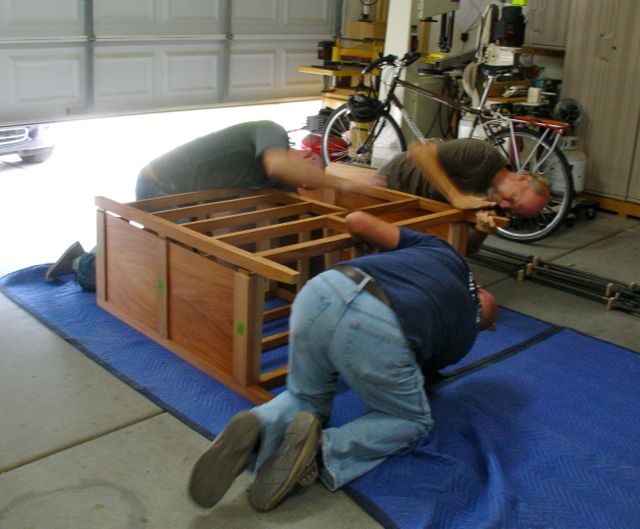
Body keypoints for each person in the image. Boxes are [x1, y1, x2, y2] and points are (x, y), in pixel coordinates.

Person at [187, 211, 498, 513]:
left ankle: (260, 423)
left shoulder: (442, 251)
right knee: (412, 419)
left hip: (321, 289)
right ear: (481, 318)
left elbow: (356, 220)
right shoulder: (464, 338)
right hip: (379, 325)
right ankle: (322, 451)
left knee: (305, 396)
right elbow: (412, 370)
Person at [45, 120, 383, 290]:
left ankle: (105, 250)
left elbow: (300, 220)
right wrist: (345, 184)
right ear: (305, 154)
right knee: (167, 271)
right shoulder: (271, 132)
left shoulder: (280, 174)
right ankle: (82, 264)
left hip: (187, 193)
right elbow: (279, 167)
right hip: (161, 184)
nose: (307, 181)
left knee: (177, 258)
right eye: (310, 173)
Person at [378, 138, 551, 253]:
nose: (505, 206)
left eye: (513, 210)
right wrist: (456, 197)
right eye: (513, 199)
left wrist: (480, 231)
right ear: (523, 178)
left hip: (424, 211)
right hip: (395, 183)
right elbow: (419, 151)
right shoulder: (482, 154)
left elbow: (465, 249)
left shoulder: (497, 205)